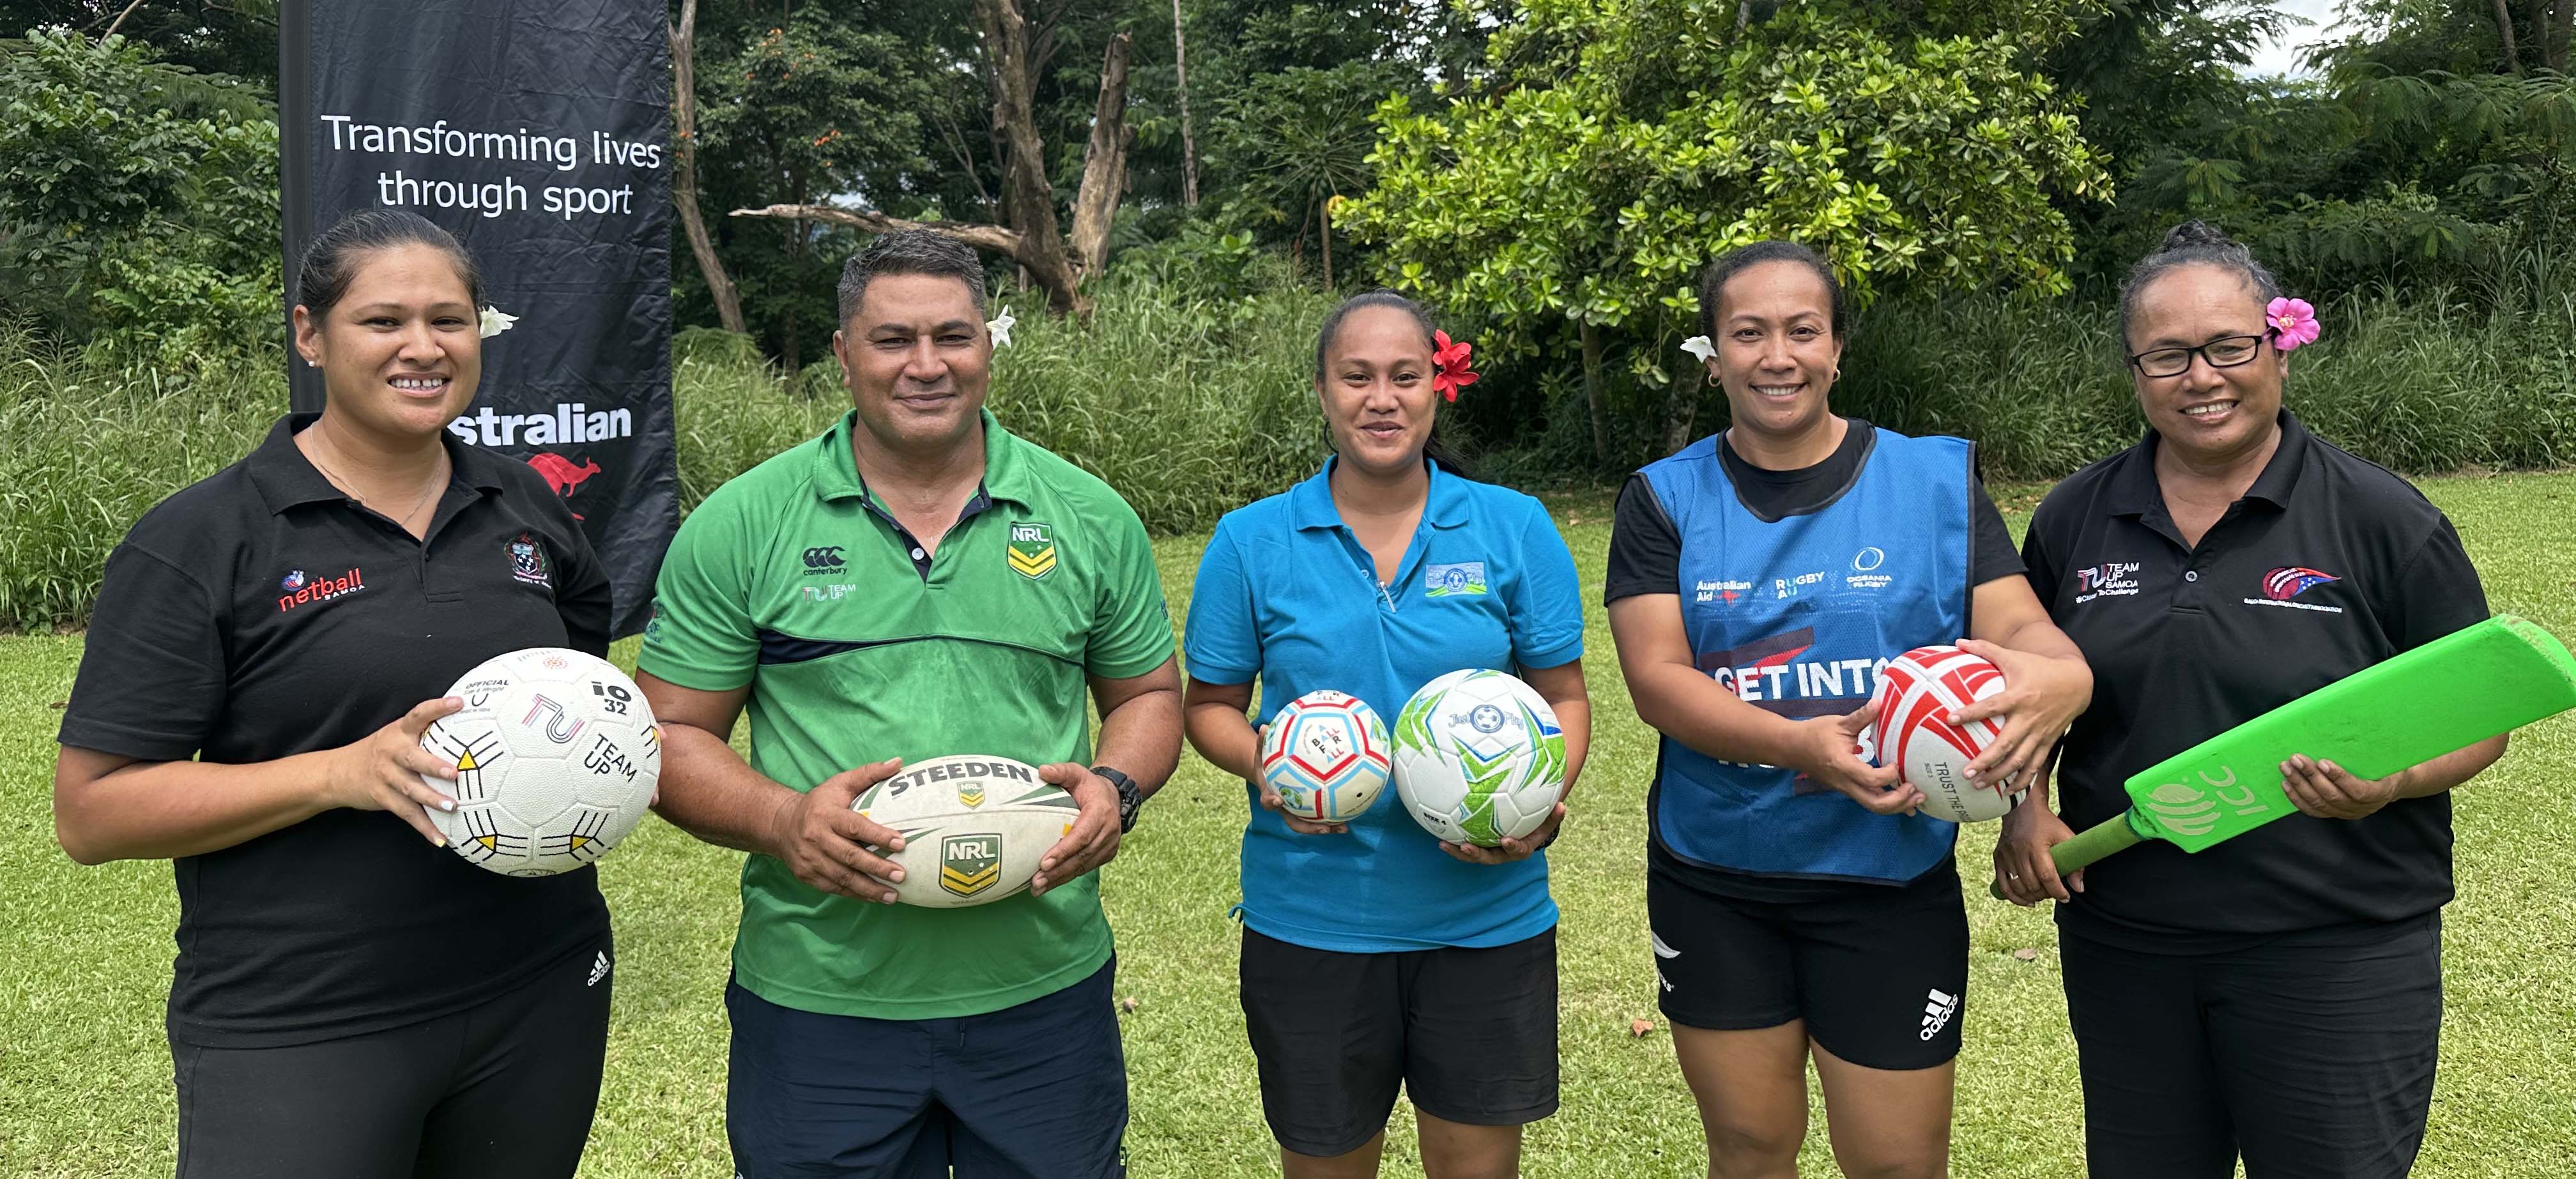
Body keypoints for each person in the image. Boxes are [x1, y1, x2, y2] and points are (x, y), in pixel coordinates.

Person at [50, 209, 615, 1179]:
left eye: (451, 319)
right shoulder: (204, 538)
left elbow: (577, 678)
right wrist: (338, 773)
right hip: (303, 1017)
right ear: (310, 334)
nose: (423, 348)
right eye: (383, 321)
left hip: (542, 988)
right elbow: (92, 812)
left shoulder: (524, 505)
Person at [636, 229, 1183, 1179]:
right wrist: (784, 819)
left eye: (953, 336)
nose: (926, 365)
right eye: (892, 340)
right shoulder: (744, 523)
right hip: (820, 996)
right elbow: (670, 733)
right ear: (844, 356)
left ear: (987, 347)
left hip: (1040, 992)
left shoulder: (1089, 516)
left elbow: (1148, 695)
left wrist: (1114, 784)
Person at [1995, 221, 2506, 1178]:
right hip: (2128, 944)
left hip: (2336, 945)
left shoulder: (2381, 517)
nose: (2203, 377)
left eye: (2230, 346)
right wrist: (2024, 807)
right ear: (2135, 369)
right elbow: (2021, 688)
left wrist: (2391, 780)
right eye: (2169, 354)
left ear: (2280, 346)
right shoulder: (2075, 515)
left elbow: (2479, 719)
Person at [1606, 241, 2095, 1179]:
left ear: (1837, 351)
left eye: (1802, 330)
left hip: (1887, 881)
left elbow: (2027, 649)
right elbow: (1658, 680)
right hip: (1719, 877)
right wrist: (1803, 747)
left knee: (1898, 1161)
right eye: (1747, 333)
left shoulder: (1934, 484)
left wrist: (2038, 761)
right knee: (1749, 1147)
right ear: (1714, 357)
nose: (1776, 355)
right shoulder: (1663, 499)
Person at [1180, 291, 1591, 1179]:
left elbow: (1564, 695)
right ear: (1323, 392)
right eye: (1355, 376)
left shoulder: (1513, 525)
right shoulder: (1251, 540)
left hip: (1485, 919)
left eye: (1405, 376)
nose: (1381, 398)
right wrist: (1270, 763)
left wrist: (1541, 799)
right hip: (1315, 918)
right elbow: (1208, 703)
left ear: (1437, 389)